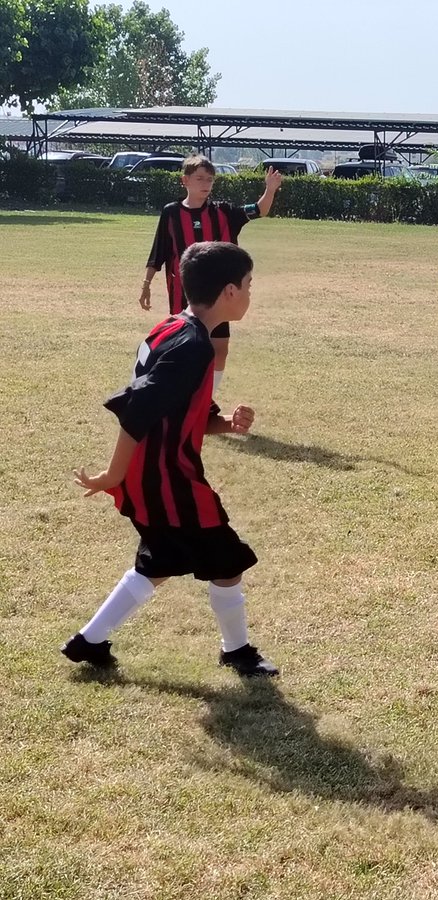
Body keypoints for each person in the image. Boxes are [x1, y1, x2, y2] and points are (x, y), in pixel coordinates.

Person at [63, 242, 277, 677]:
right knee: (225, 559)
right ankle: (237, 652)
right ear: (230, 291)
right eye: (250, 285)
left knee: (162, 558)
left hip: (153, 472)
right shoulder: (194, 346)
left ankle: (90, 640)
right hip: (166, 476)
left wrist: (224, 422)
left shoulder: (173, 328)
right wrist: (112, 475)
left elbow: (175, 408)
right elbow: (138, 408)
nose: (252, 293)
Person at [142, 156, 283, 391]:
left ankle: (206, 399)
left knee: (219, 348)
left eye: (209, 179)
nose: (205, 184)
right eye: (199, 178)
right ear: (185, 180)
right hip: (183, 294)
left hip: (217, 296)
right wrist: (145, 285)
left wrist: (270, 189)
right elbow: (159, 253)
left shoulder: (224, 212)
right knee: (185, 346)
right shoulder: (171, 213)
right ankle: (180, 393)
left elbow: (259, 210)